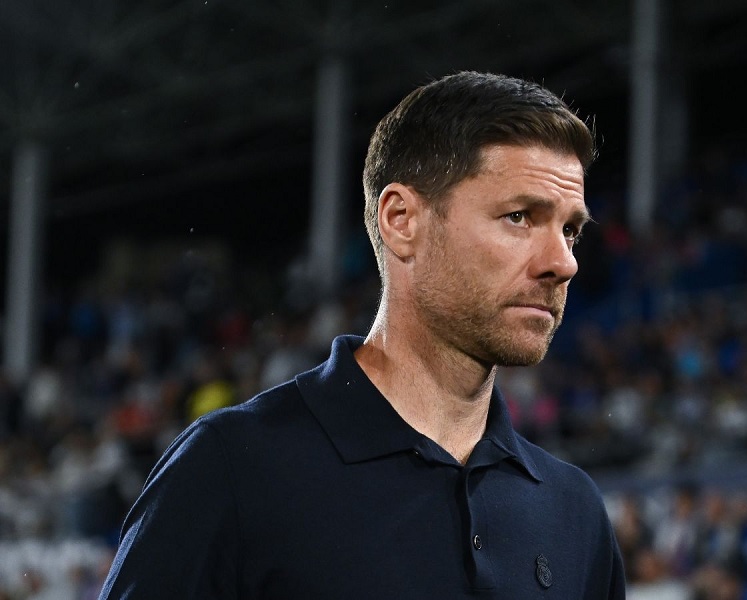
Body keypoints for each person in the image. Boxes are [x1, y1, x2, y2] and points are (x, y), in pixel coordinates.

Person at [99, 71, 627, 599]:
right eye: (519, 217)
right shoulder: (233, 467)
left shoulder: (575, 512)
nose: (564, 262)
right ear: (401, 220)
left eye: (570, 230)